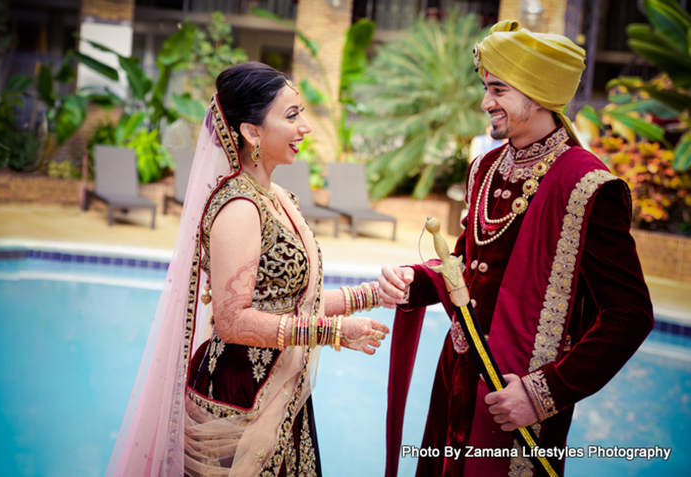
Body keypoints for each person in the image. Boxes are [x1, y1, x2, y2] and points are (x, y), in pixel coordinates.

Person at [378, 20, 654, 476]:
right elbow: (469, 262)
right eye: (487, 88)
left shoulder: (589, 186)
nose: (487, 102)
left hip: (516, 399)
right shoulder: (486, 167)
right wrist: (418, 280)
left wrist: (543, 393)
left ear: (537, 92)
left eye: (499, 89)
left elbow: (629, 316)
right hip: (455, 379)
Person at [105, 61, 390, 477]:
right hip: (240, 393)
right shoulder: (240, 208)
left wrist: (373, 293)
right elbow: (233, 320)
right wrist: (333, 332)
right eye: (291, 116)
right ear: (252, 132)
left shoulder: (277, 197)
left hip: (278, 388)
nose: (305, 127)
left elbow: (290, 301)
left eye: (302, 114)